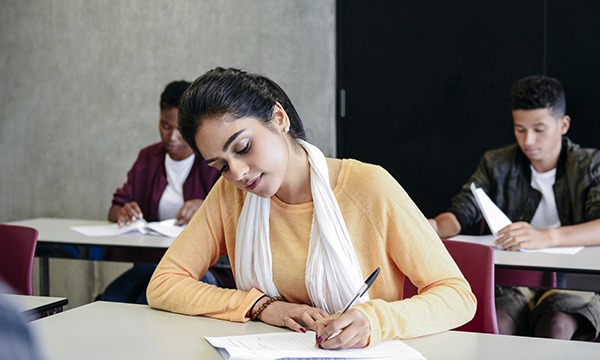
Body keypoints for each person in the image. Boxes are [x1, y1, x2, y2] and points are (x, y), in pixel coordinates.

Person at [147, 67, 476, 350]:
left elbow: (457, 296)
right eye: (220, 165)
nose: (238, 173)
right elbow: (164, 284)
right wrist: (262, 306)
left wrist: (375, 319)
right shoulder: (230, 195)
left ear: (279, 118)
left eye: (243, 147)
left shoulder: (368, 186)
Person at [429, 75, 600, 340]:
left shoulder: (590, 165)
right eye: (520, 129)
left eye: (539, 129)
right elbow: (462, 210)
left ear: (563, 124)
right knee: (495, 323)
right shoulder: (497, 163)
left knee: (555, 326)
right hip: (513, 280)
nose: (528, 140)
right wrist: (436, 226)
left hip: (571, 282)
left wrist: (544, 237)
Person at [102, 80, 221, 304]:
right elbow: (114, 209)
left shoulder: (213, 160)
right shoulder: (148, 158)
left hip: (200, 266)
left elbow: (236, 216)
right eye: (166, 126)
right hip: (153, 261)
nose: (172, 137)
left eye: (180, 129)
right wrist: (125, 212)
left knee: (144, 301)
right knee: (113, 297)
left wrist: (205, 207)